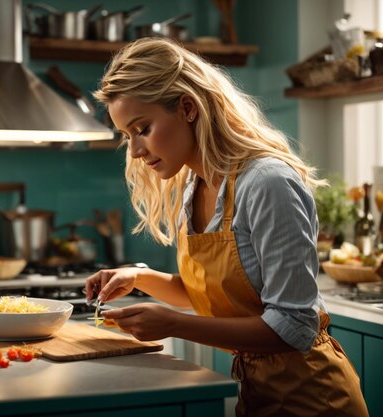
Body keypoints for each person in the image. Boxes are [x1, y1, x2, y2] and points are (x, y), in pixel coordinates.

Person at [85, 37, 368, 417]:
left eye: (143, 128)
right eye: (127, 135)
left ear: (187, 107)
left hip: (313, 399)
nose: (134, 151)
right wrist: (138, 277)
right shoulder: (194, 185)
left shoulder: (267, 182)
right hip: (258, 396)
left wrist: (174, 325)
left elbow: (294, 326)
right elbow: (212, 295)